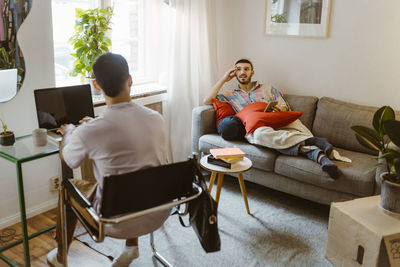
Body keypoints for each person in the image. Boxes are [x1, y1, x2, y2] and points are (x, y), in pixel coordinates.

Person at [47, 53, 168, 267]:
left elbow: (69, 159)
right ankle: (131, 247)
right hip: (158, 212)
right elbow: (124, 134)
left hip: (115, 222)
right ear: (130, 80)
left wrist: (71, 131)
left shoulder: (90, 131)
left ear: (96, 84)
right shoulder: (156, 119)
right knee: (136, 175)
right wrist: (93, 126)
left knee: (68, 187)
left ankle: (60, 257)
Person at [203, 58, 339, 179]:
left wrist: (280, 109)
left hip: (278, 120)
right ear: (234, 73)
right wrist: (223, 79)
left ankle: (316, 150)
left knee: (296, 129)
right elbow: (207, 100)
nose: (242, 72)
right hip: (259, 127)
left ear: (252, 72)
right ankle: (319, 154)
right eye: (238, 69)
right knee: (261, 136)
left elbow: (284, 106)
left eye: (246, 69)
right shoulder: (230, 95)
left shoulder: (267, 88)